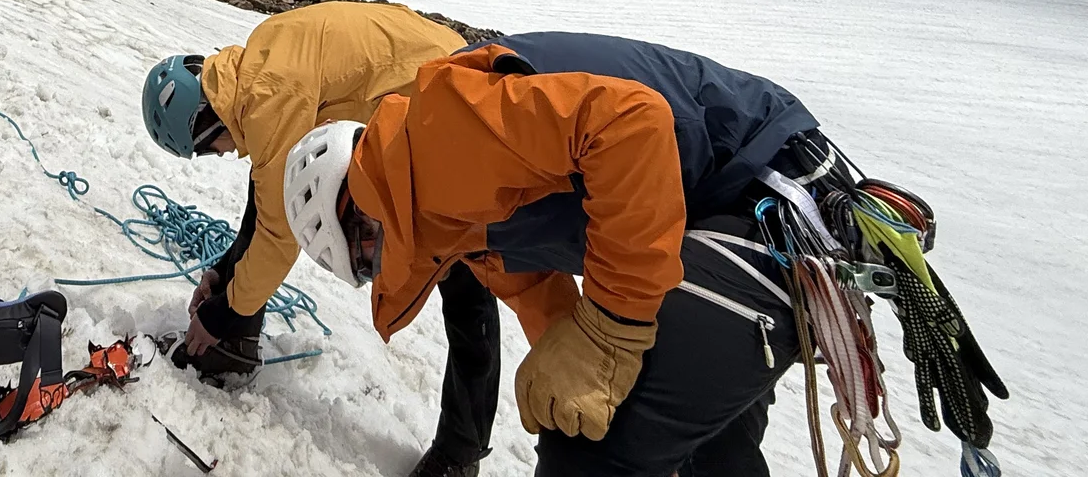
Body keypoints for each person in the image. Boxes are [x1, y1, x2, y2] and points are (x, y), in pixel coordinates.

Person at [283, 32, 833, 477]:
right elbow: (542, 303)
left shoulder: (435, 139)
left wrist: (612, 328)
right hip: (736, 214)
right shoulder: (457, 228)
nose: (378, 261)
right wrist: (591, 367)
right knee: (695, 453)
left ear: (356, 198)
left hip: (771, 194)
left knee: (590, 453)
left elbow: (632, 122)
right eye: (365, 266)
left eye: (363, 244)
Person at [142, 1, 500, 475]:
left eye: (207, 150)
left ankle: (461, 452)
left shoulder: (269, 94)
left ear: (205, 125)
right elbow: (270, 193)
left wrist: (219, 312)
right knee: (457, 266)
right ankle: (235, 346)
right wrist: (224, 272)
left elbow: (278, 236)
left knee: (465, 272)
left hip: (453, 101)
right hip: (434, 75)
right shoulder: (253, 73)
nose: (219, 156)